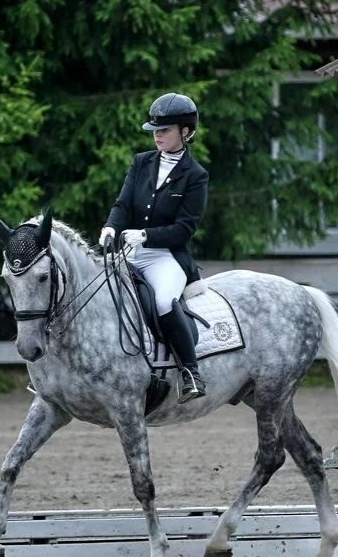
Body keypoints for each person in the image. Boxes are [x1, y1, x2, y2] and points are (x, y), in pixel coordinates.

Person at [101, 92, 209, 403]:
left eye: (164, 130)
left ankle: (190, 372)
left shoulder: (195, 175)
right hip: (130, 252)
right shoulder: (142, 162)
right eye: (155, 130)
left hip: (165, 257)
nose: (157, 135)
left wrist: (147, 236)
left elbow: (184, 230)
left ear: (185, 132)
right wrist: (111, 226)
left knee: (163, 301)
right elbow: (123, 204)